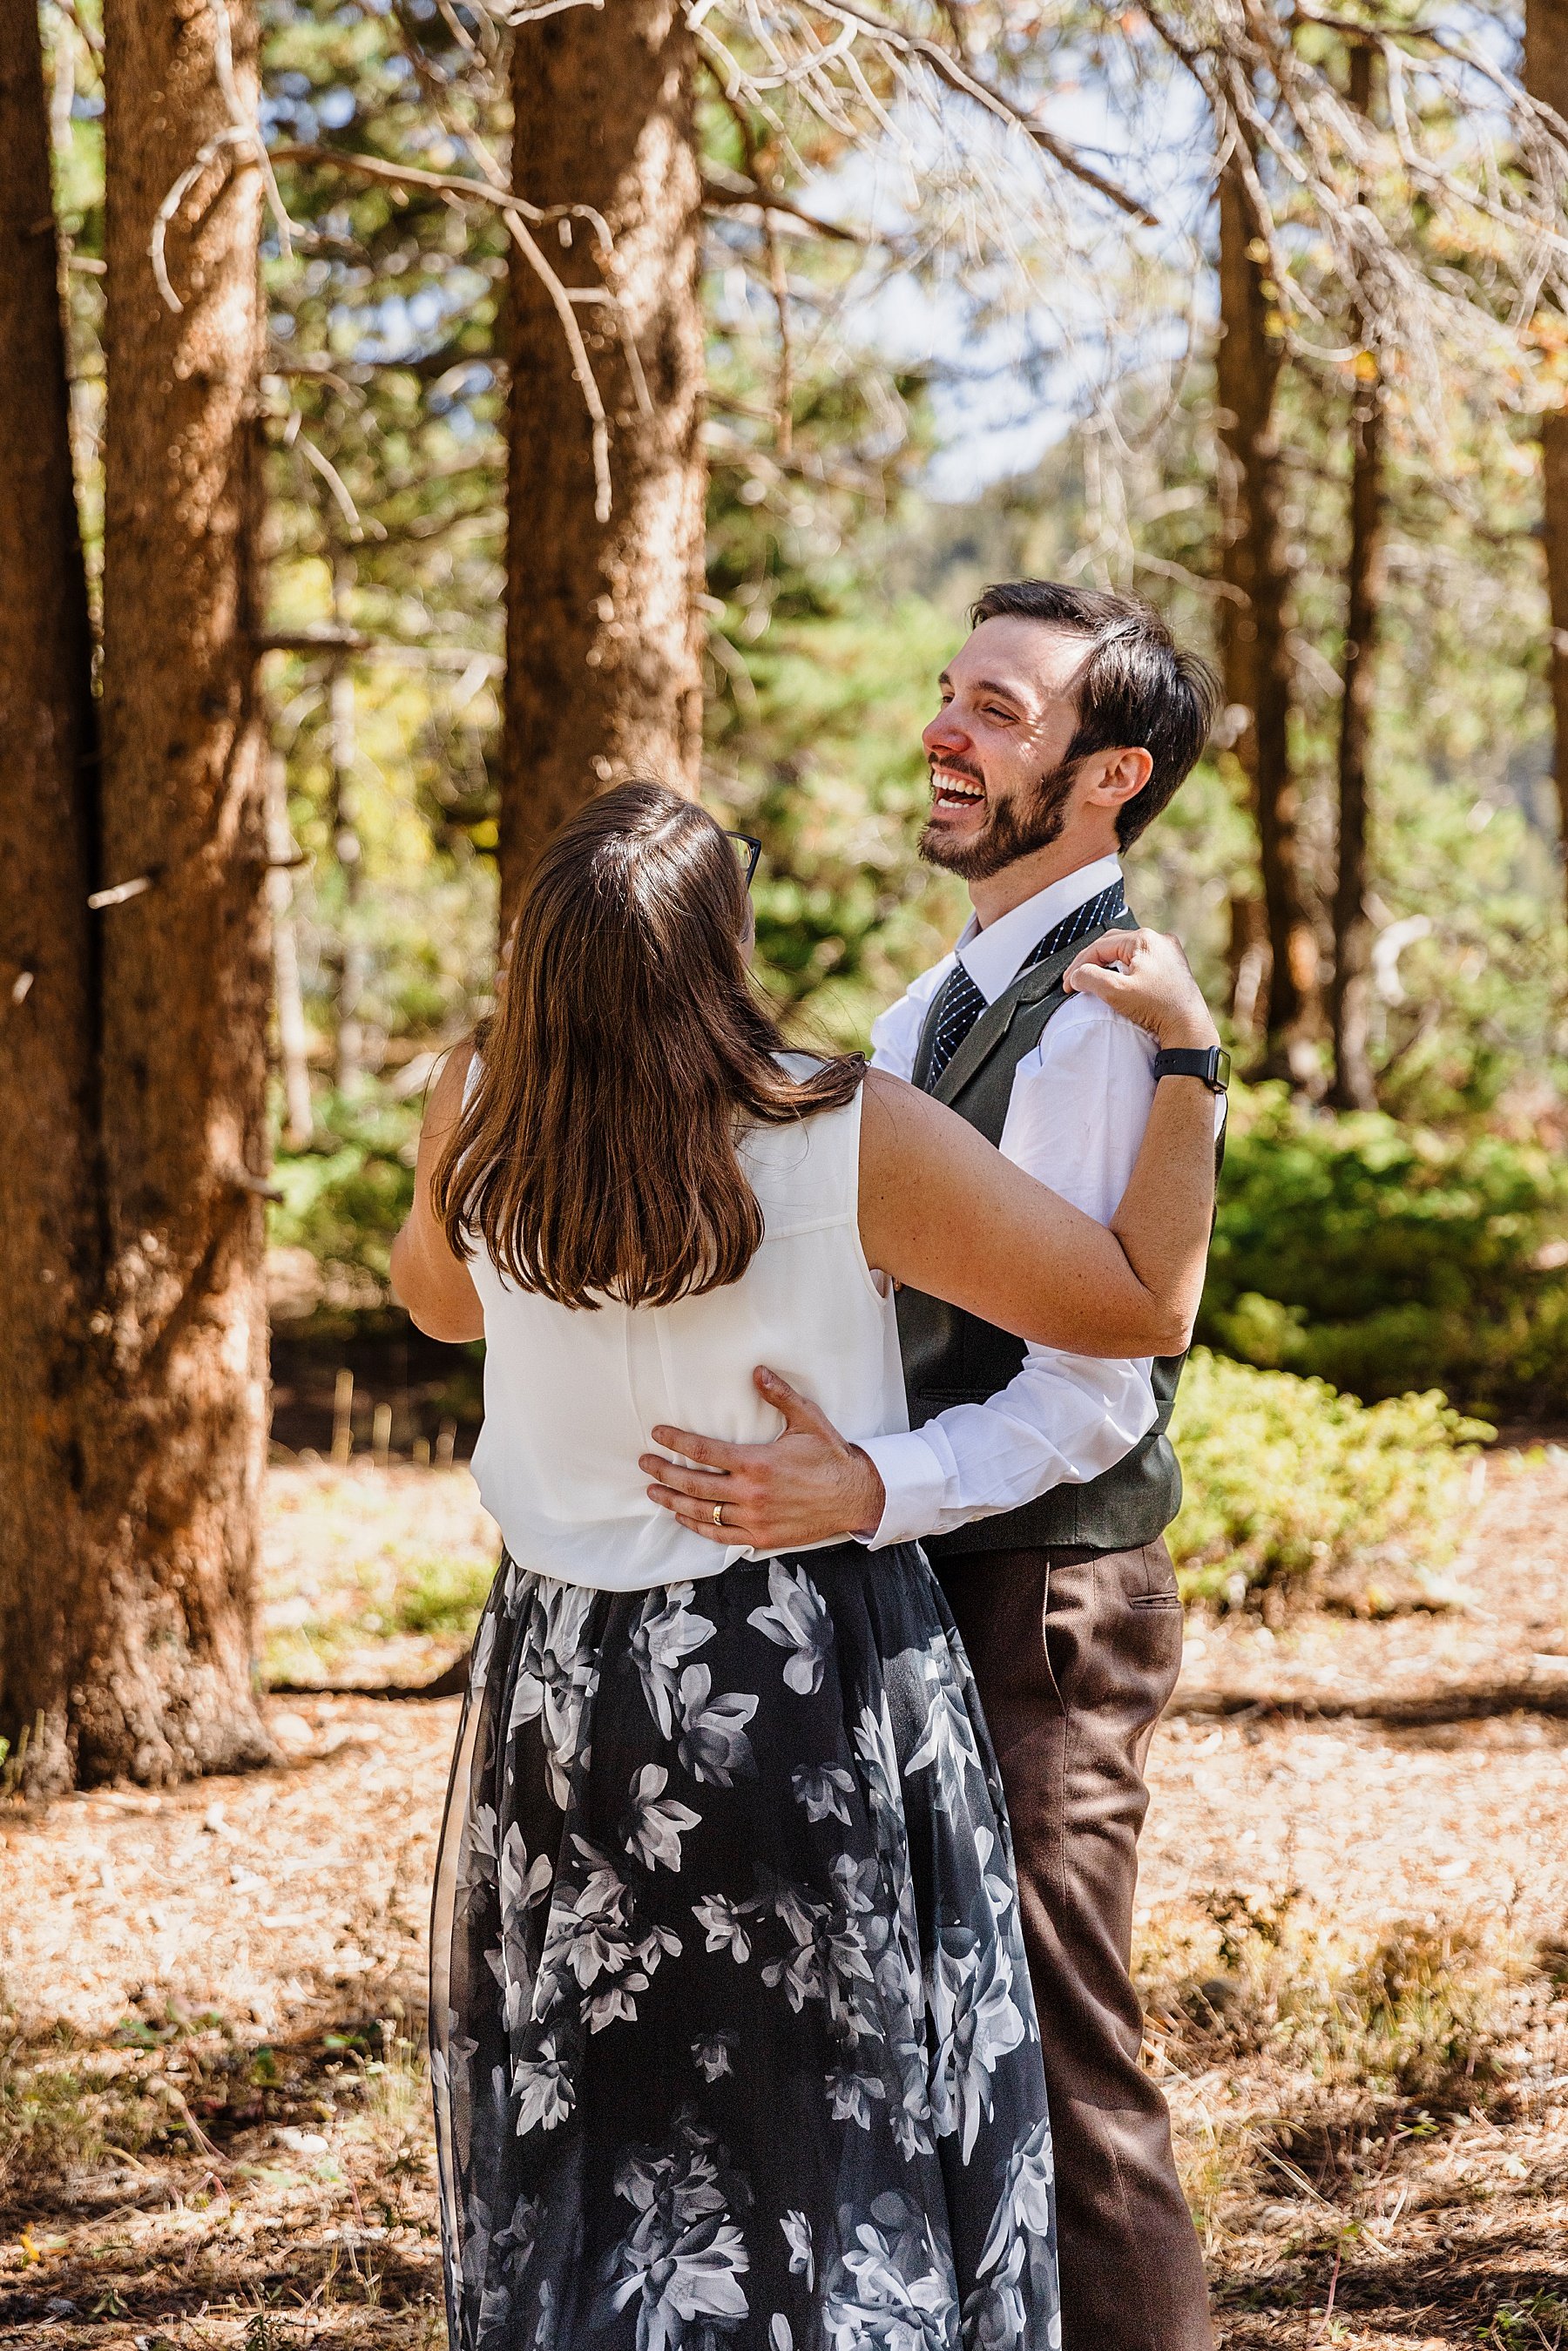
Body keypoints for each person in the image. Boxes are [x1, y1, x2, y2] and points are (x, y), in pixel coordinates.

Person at [392, 778, 1223, 2351]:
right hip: (790, 1668)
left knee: (610, 2126)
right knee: (827, 2120)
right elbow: (1136, 1303)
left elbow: (436, 1304)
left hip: (566, 1694)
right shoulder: (829, 1123)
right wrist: (1188, 1064)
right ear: (720, 940)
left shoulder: (477, 1101)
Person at [643, 583, 1225, 2351]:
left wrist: (869, 1493)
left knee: (1060, 2055)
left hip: (1043, 1602)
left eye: (999, 712)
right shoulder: (933, 999)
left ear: (1109, 776)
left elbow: (1100, 1391)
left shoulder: (1104, 1019)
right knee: (934, 2040)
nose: (944, 735)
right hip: (922, 1583)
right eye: (946, 694)